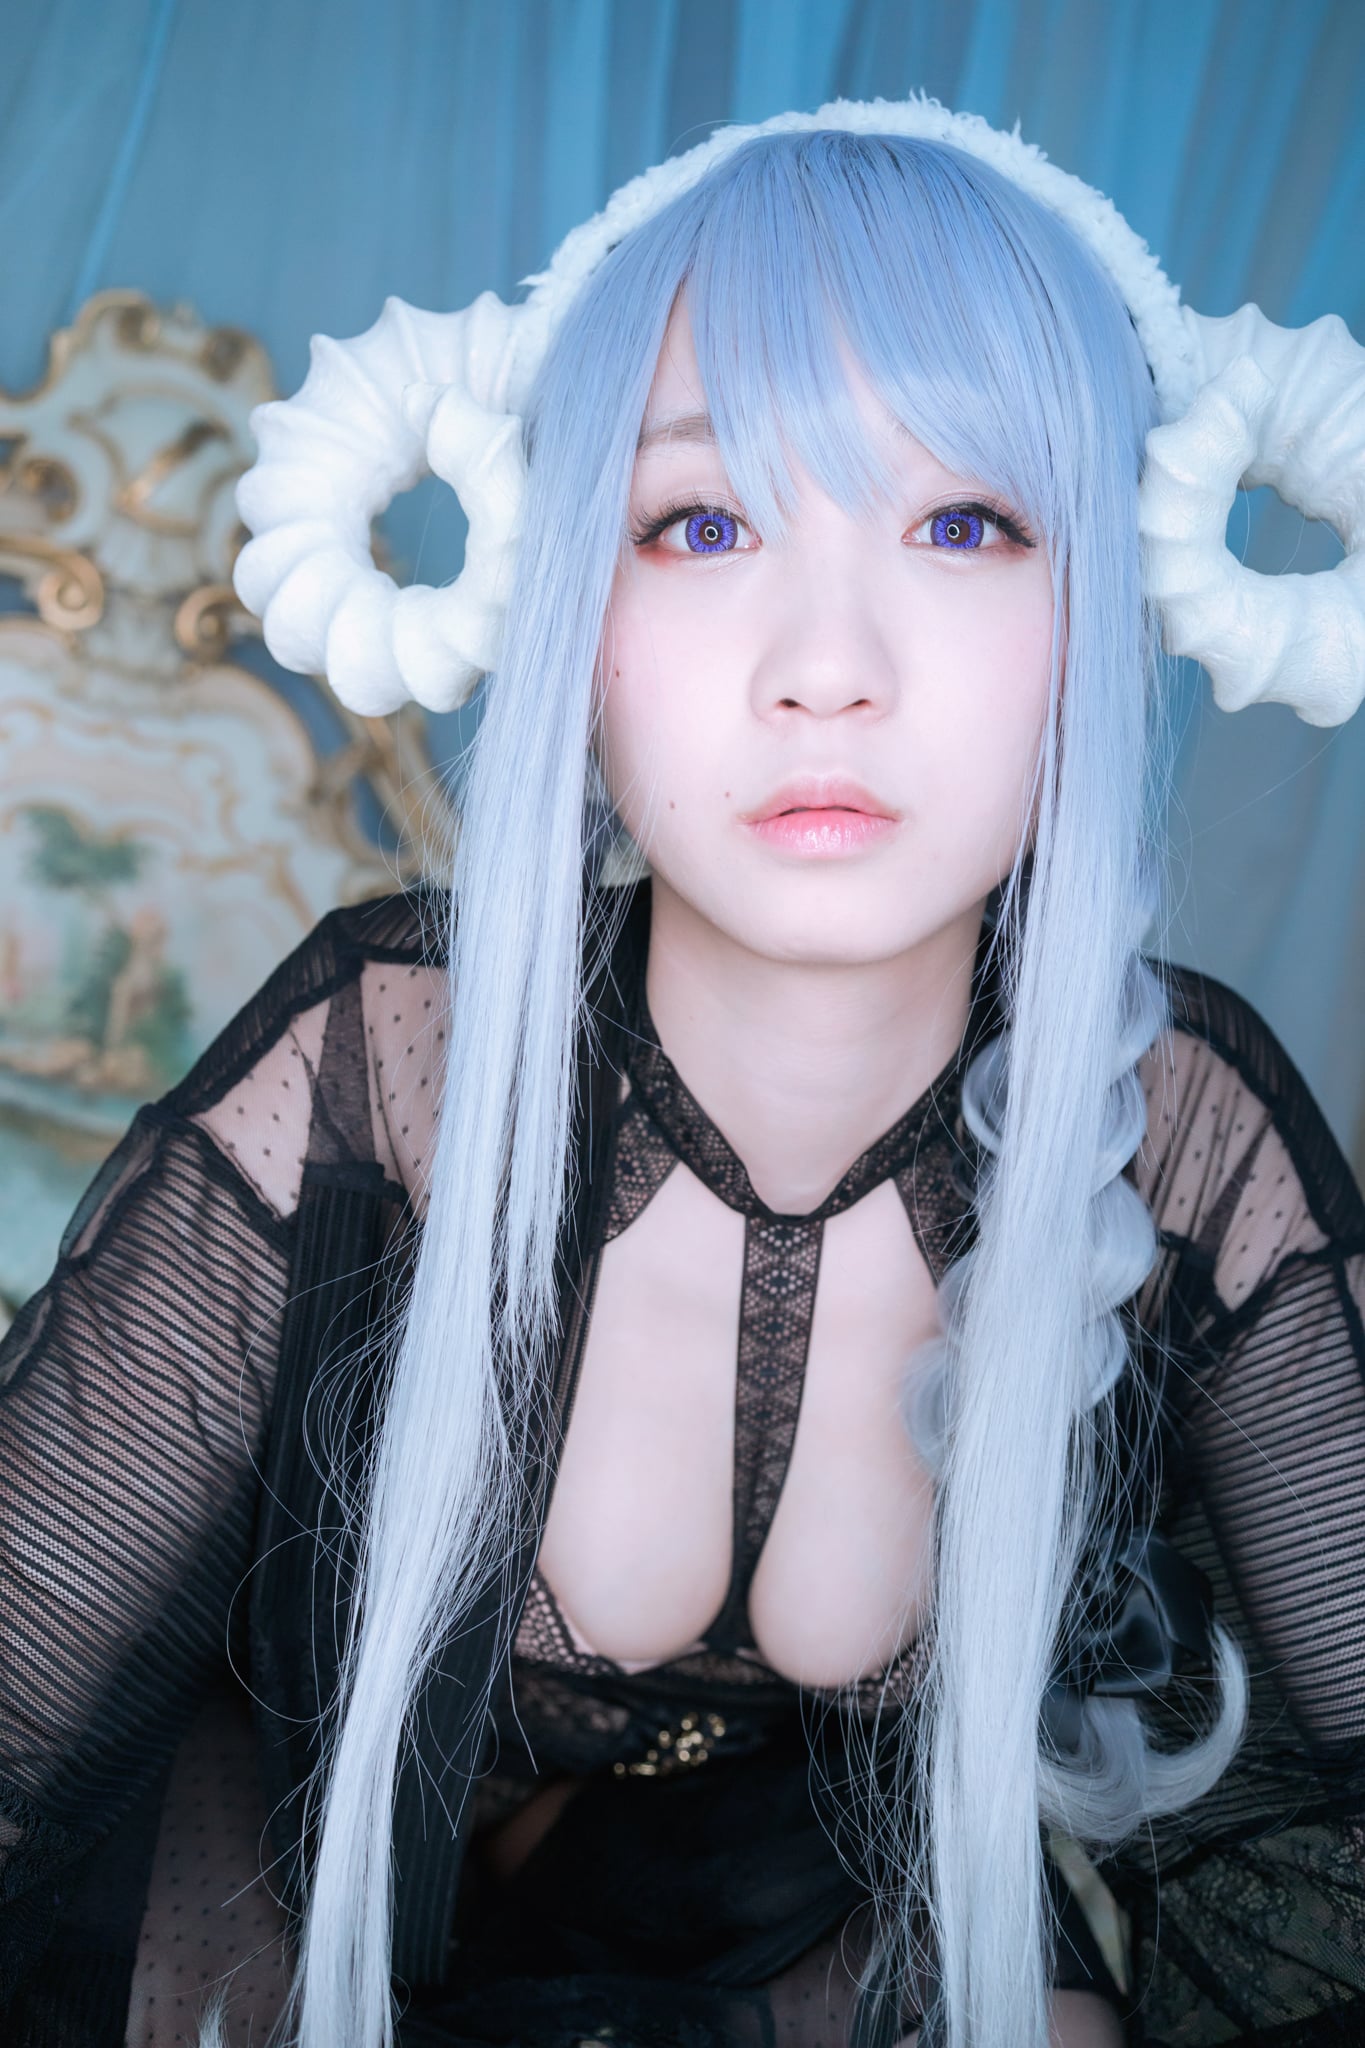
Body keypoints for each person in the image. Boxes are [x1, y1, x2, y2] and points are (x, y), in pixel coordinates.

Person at [1, 99, 1363, 2048]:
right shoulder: (377, 1060)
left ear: (1100, 618)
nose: (827, 665)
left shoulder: (1182, 1131)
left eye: (964, 524)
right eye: (703, 522)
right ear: (574, 600)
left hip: (779, 1922)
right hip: (292, 1903)